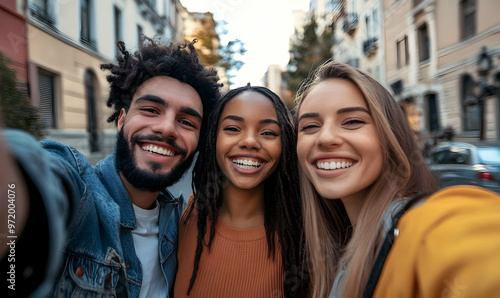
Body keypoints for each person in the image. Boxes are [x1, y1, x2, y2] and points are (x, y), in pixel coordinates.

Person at [0, 38, 221, 297]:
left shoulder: (181, 224)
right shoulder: (79, 188)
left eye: (186, 122)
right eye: (151, 109)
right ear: (122, 120)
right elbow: (37, 182)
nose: (167, 128)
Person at [294, 61, 500, 297]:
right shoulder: (334, 251)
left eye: (352, 121)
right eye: (310, 126)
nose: (325, 137)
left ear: (389, 136)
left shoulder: (428, 224)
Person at [174, 85, 308, 297]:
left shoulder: (304, 238)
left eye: (268, 132)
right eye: (233, 129)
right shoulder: (188, 217)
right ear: (213, 138)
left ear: (285, 146)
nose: (249, 142)